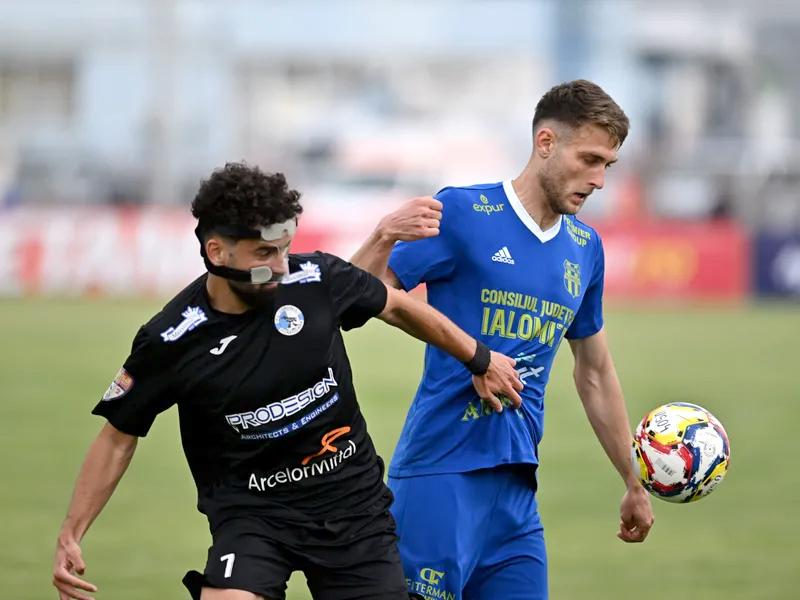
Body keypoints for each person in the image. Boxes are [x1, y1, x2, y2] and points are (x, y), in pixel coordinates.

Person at [52, 162, 523, 600]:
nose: (280, 265)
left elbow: (398, 307)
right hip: (252, 516)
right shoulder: (171, 340)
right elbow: (118, 437)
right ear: (217, 251)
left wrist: (479, 359)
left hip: (351, 507)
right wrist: (72, 533)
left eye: (284, 248)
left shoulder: (315, 277)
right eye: (264, 253)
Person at [351, 79, 655, 600]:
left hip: (516, 495)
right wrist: (472, 354)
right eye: (589, 159)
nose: (600, 180)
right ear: (545, 142)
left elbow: (595, 371)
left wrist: (632, 479)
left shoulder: (585, 248)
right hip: (441, 473)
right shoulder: (464, 212)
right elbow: (366, 294)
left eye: (608, 165)